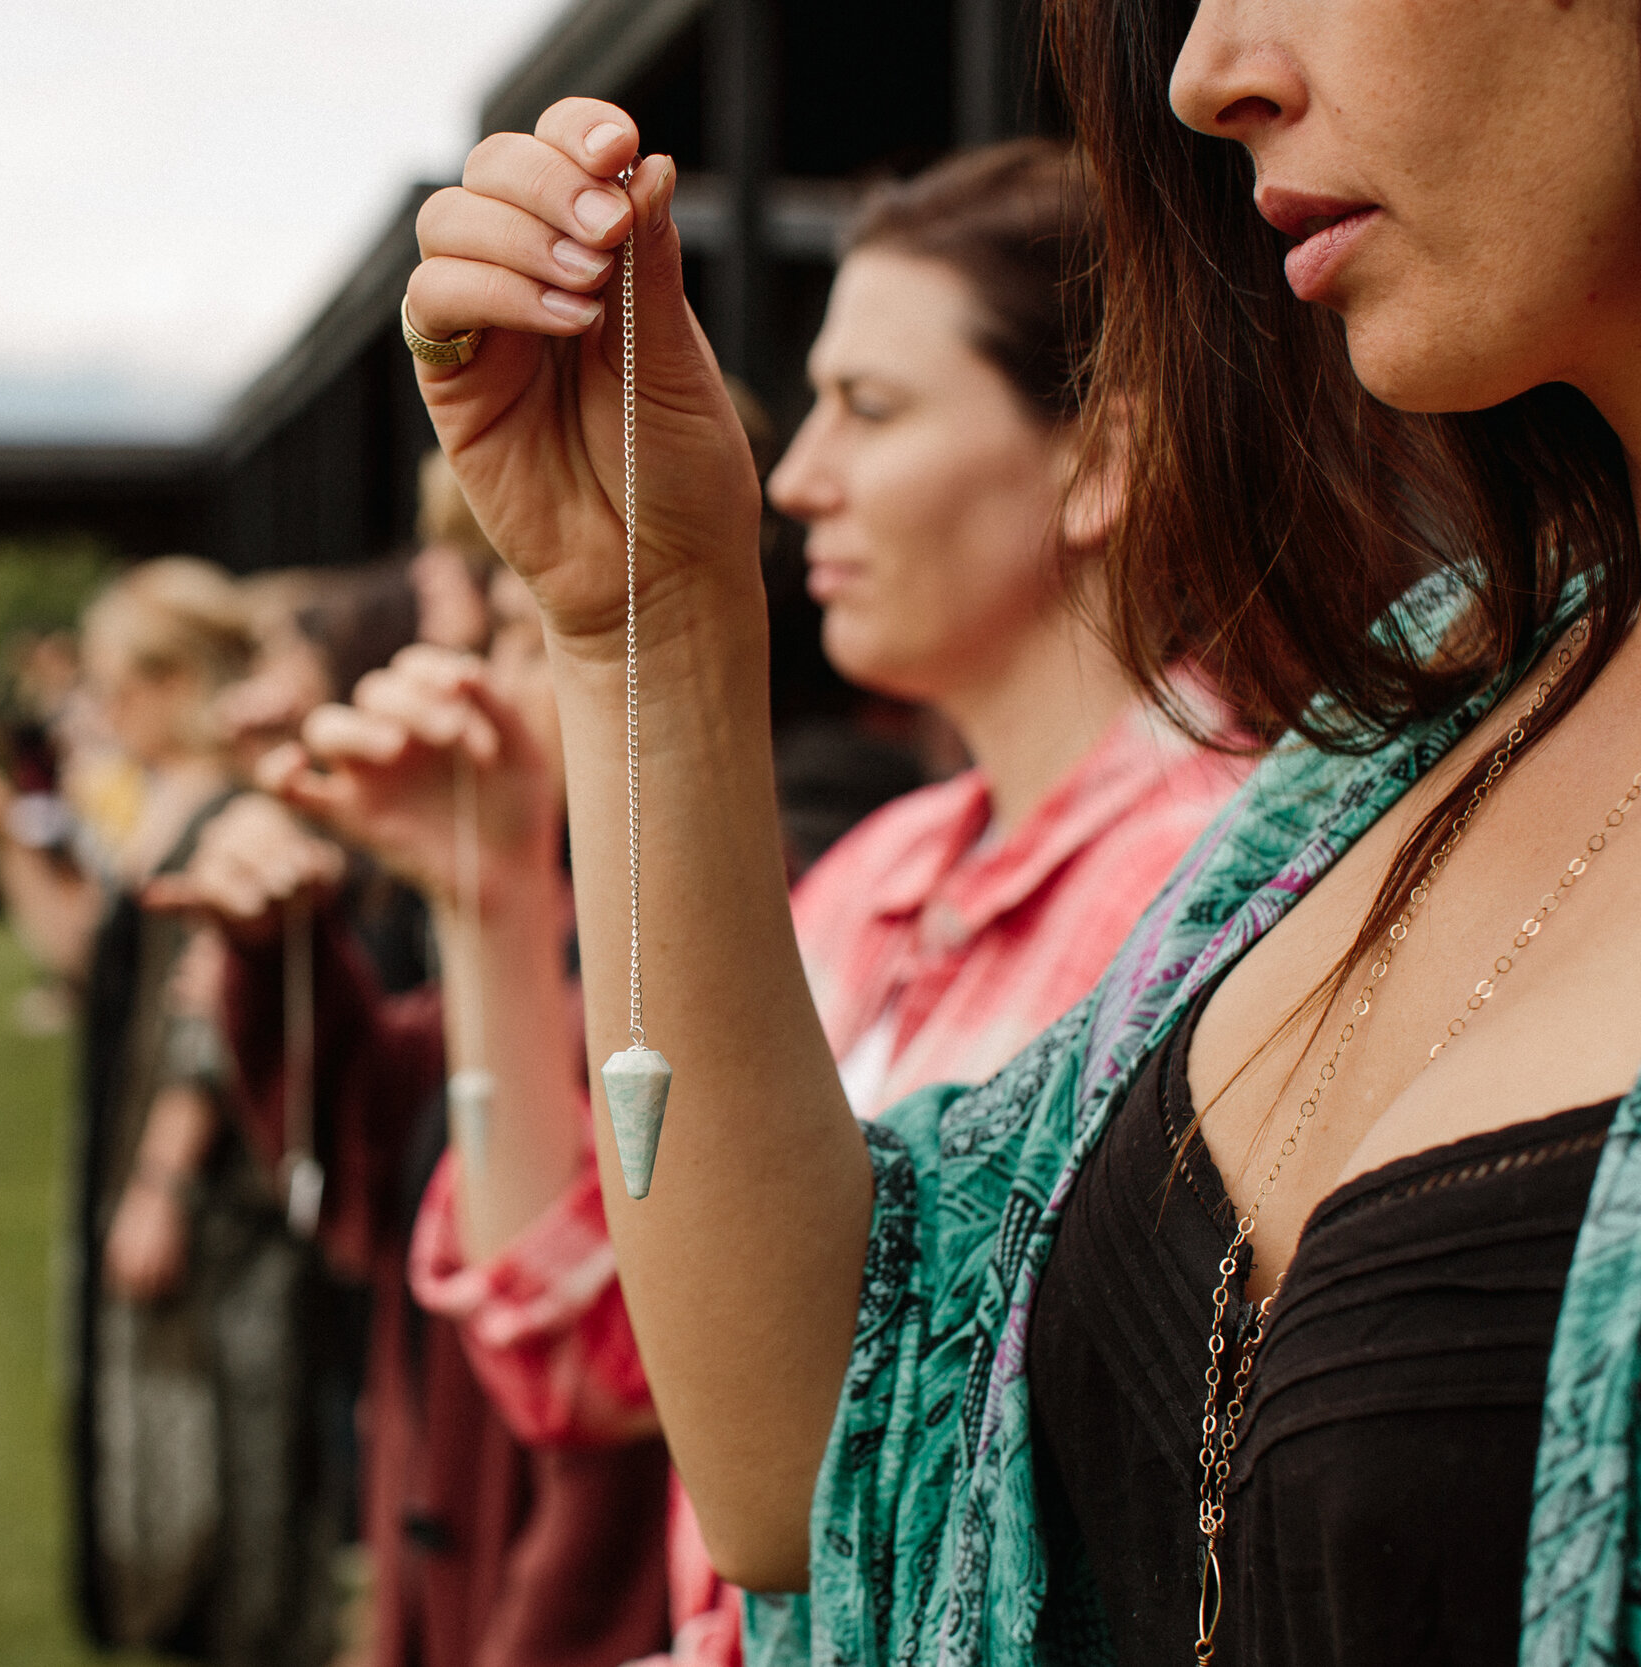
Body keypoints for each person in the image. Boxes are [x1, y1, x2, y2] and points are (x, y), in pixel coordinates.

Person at [397, 16, 1641, 1660]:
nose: (1209, 73)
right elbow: (836, 1458)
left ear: (1094, 460)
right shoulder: (1397, 745)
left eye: (874, 405)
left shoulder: (1243, 792)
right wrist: (644, 628)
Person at [403, 140, 1247, 1666]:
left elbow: (953, 1501)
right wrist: (485, 903)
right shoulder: (876, 877)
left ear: (1104, 460)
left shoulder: (1227, 894)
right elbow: (605, 1356)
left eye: (871, 406)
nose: (794, 480)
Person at [151, 567, 674, 1667]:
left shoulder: (679, 951)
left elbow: (633, 1430)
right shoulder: (544, 908)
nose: (486, 681)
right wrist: (282, 946)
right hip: (444, 1528)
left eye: (533, 645)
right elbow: (385, 1110)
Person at [0, 556, 337, 1666]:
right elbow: (84, 956)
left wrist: (161, 1178)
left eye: (115, 682)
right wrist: (1, 836)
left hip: (212, 1196)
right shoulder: (159, 802)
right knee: (153, 1443)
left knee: (223, 1448)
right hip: (139, 1160)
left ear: (172, 677)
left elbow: (209, 1018)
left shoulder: (234, 810)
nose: (100, 711)